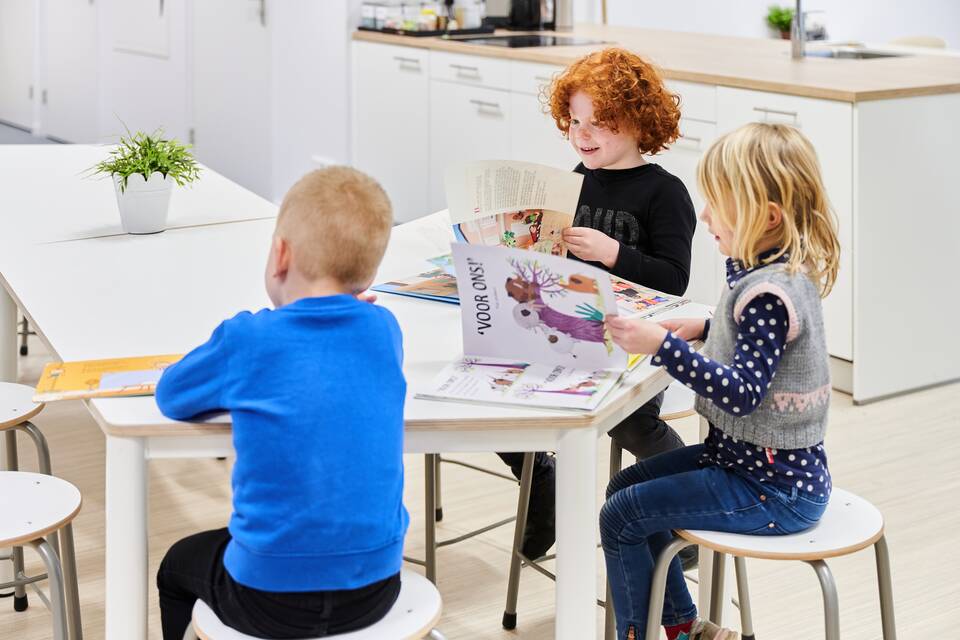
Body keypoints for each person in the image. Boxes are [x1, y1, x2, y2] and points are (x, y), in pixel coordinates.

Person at [601, 122, 841, 639]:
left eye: (718, 203)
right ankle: (681, 628)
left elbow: (743, 392)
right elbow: (764, 351)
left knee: (621, 515)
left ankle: (658, 631)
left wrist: (662, 345)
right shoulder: (777, 273)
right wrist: (705, 329)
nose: (706, 215)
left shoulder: (768, 293)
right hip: (750, 467)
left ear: (767, 217)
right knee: (623, 490)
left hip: (771, 489)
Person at [154, 167, 408, 639]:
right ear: (369, 274)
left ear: (281, 254)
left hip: (267, 597)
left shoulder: (248, 339)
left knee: (175, 567)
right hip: (376, 587)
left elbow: (170, 395)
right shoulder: (385, 329)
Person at [500, 47, 697, 561]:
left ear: (639, 122)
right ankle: (542, 480)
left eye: (598, 123)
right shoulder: (577, 177)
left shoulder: (665, 193)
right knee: (497, 386)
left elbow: (674, 280)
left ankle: (689, 506)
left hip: (635, 338)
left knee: (631, 423)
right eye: (574, 121)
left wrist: (613, 253)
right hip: (571, 327)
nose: (581, 134)